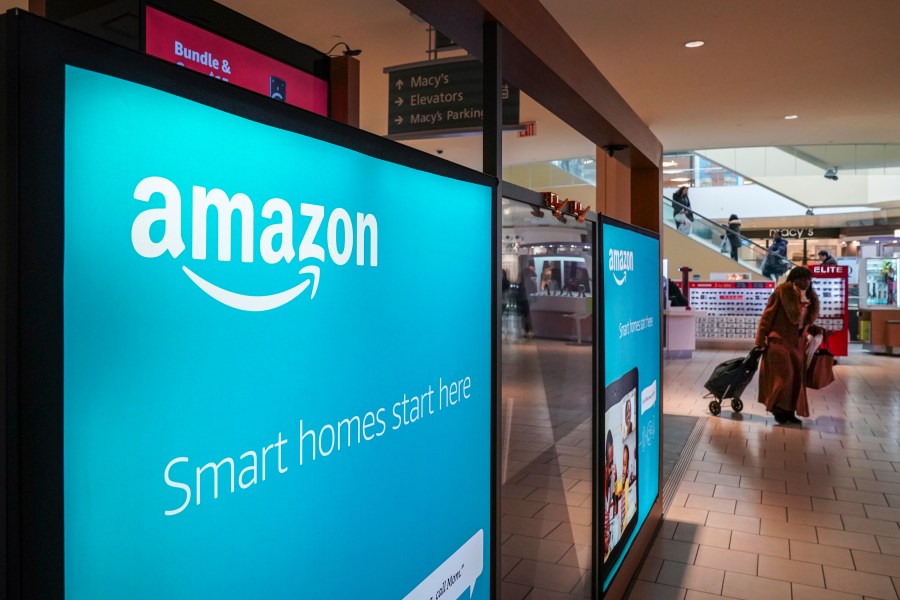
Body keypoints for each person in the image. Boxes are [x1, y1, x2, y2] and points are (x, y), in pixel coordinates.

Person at [755, 266, 823, 424]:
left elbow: (803, 322)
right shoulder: (782, 292)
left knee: (795, 380)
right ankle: (778, 409)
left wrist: (814, 329)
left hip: (798, 343)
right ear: (794, 279)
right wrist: (760, 339)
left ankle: (790, 412)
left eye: (808, 279)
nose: (806, 282)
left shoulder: (810, 298)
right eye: (802, 279)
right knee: (784, 377)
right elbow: (767, 317)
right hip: (779, 341)